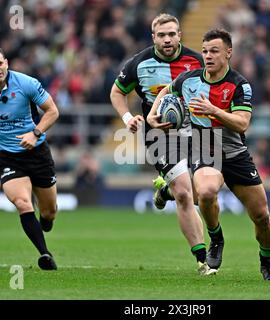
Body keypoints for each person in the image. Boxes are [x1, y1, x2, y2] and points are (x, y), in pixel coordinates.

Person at [148, 29, 270, 280]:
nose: (207, 56)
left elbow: (242, 124)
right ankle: (216, 238)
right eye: (205, 51)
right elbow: (166, 91)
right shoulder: (189, 80)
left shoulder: (239, 85)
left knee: (262, 217)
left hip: (235, 154)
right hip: (205, 150)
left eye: (214, 51)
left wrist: (213, 110)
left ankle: (267, 262)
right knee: (207, 192)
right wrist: (154, 115)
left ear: (228, 52)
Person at [110, 13, 215, 275]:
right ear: (153, 37)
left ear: (179, 35)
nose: (167, 39)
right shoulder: (139, 63)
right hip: (158, 135)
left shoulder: (197, 62)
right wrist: (127, 118)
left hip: (197, 132)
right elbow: (117, 92)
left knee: (203, 192)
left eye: (172, 34)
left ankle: (163, 190)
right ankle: (203, 260)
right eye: (161, 35)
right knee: (184, 193)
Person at [0, 47, 60, 270]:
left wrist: (34, 134)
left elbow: (52, 111)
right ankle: (45, 254)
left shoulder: (26, 83)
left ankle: (46, 219)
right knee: (23, 203)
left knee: (49, 211)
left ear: (6, 63)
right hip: (9, 159)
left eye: (0, 63)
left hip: (38, 153)